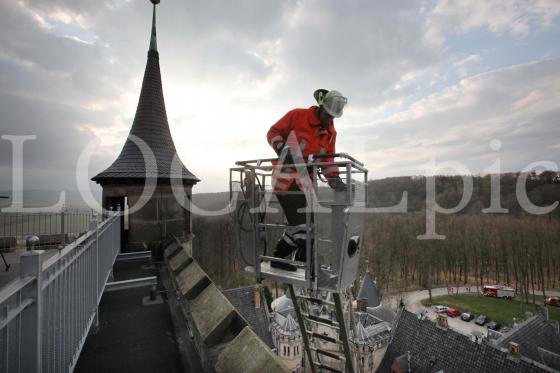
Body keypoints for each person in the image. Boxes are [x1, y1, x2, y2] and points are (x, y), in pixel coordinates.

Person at [266, 89, 348, 271]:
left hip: (306, 184)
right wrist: (281, 148)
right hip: (286, 180)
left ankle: (279, 258)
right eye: (327, 114)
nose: (329, 119)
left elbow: (327, 160)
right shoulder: (298, 116)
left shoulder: (330, 133)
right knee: (303, 226)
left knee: (303, 226)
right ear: (321, 108)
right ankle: (308, 264)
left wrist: (334, 178)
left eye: (333, 117)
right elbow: (273, 132)